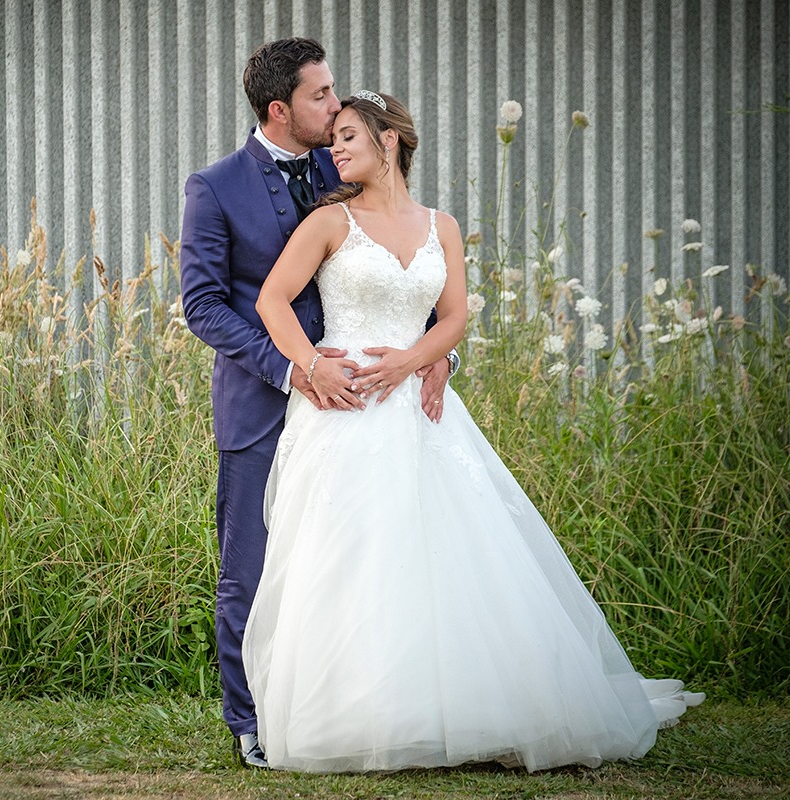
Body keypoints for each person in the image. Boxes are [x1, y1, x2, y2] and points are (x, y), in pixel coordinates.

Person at [245, 91, 704, 773]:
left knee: (439, 554)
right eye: (333, 137)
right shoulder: (329, 221)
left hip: (417, 407)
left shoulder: (443, 226)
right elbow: (270, 300)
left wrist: (418, 359)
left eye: (347, 136)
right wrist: (311, 364)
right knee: (351, 556)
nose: (334, 150)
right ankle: (354, 714)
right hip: (342, 411)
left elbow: (454, 316)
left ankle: (455, 707)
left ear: (390, 140)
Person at [179, 40, 460, 769]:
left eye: (335, 94)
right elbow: (203, 307)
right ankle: (252, 726)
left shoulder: (344, 167)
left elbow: (398, 272)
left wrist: (438, 354)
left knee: (357, 564)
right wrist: (294, 370)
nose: (336, 107)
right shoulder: (214, 188)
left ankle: (355, 709)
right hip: (261, 408)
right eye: (321, 96)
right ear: (281, 109)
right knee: (251, 570)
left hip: (367, 408)